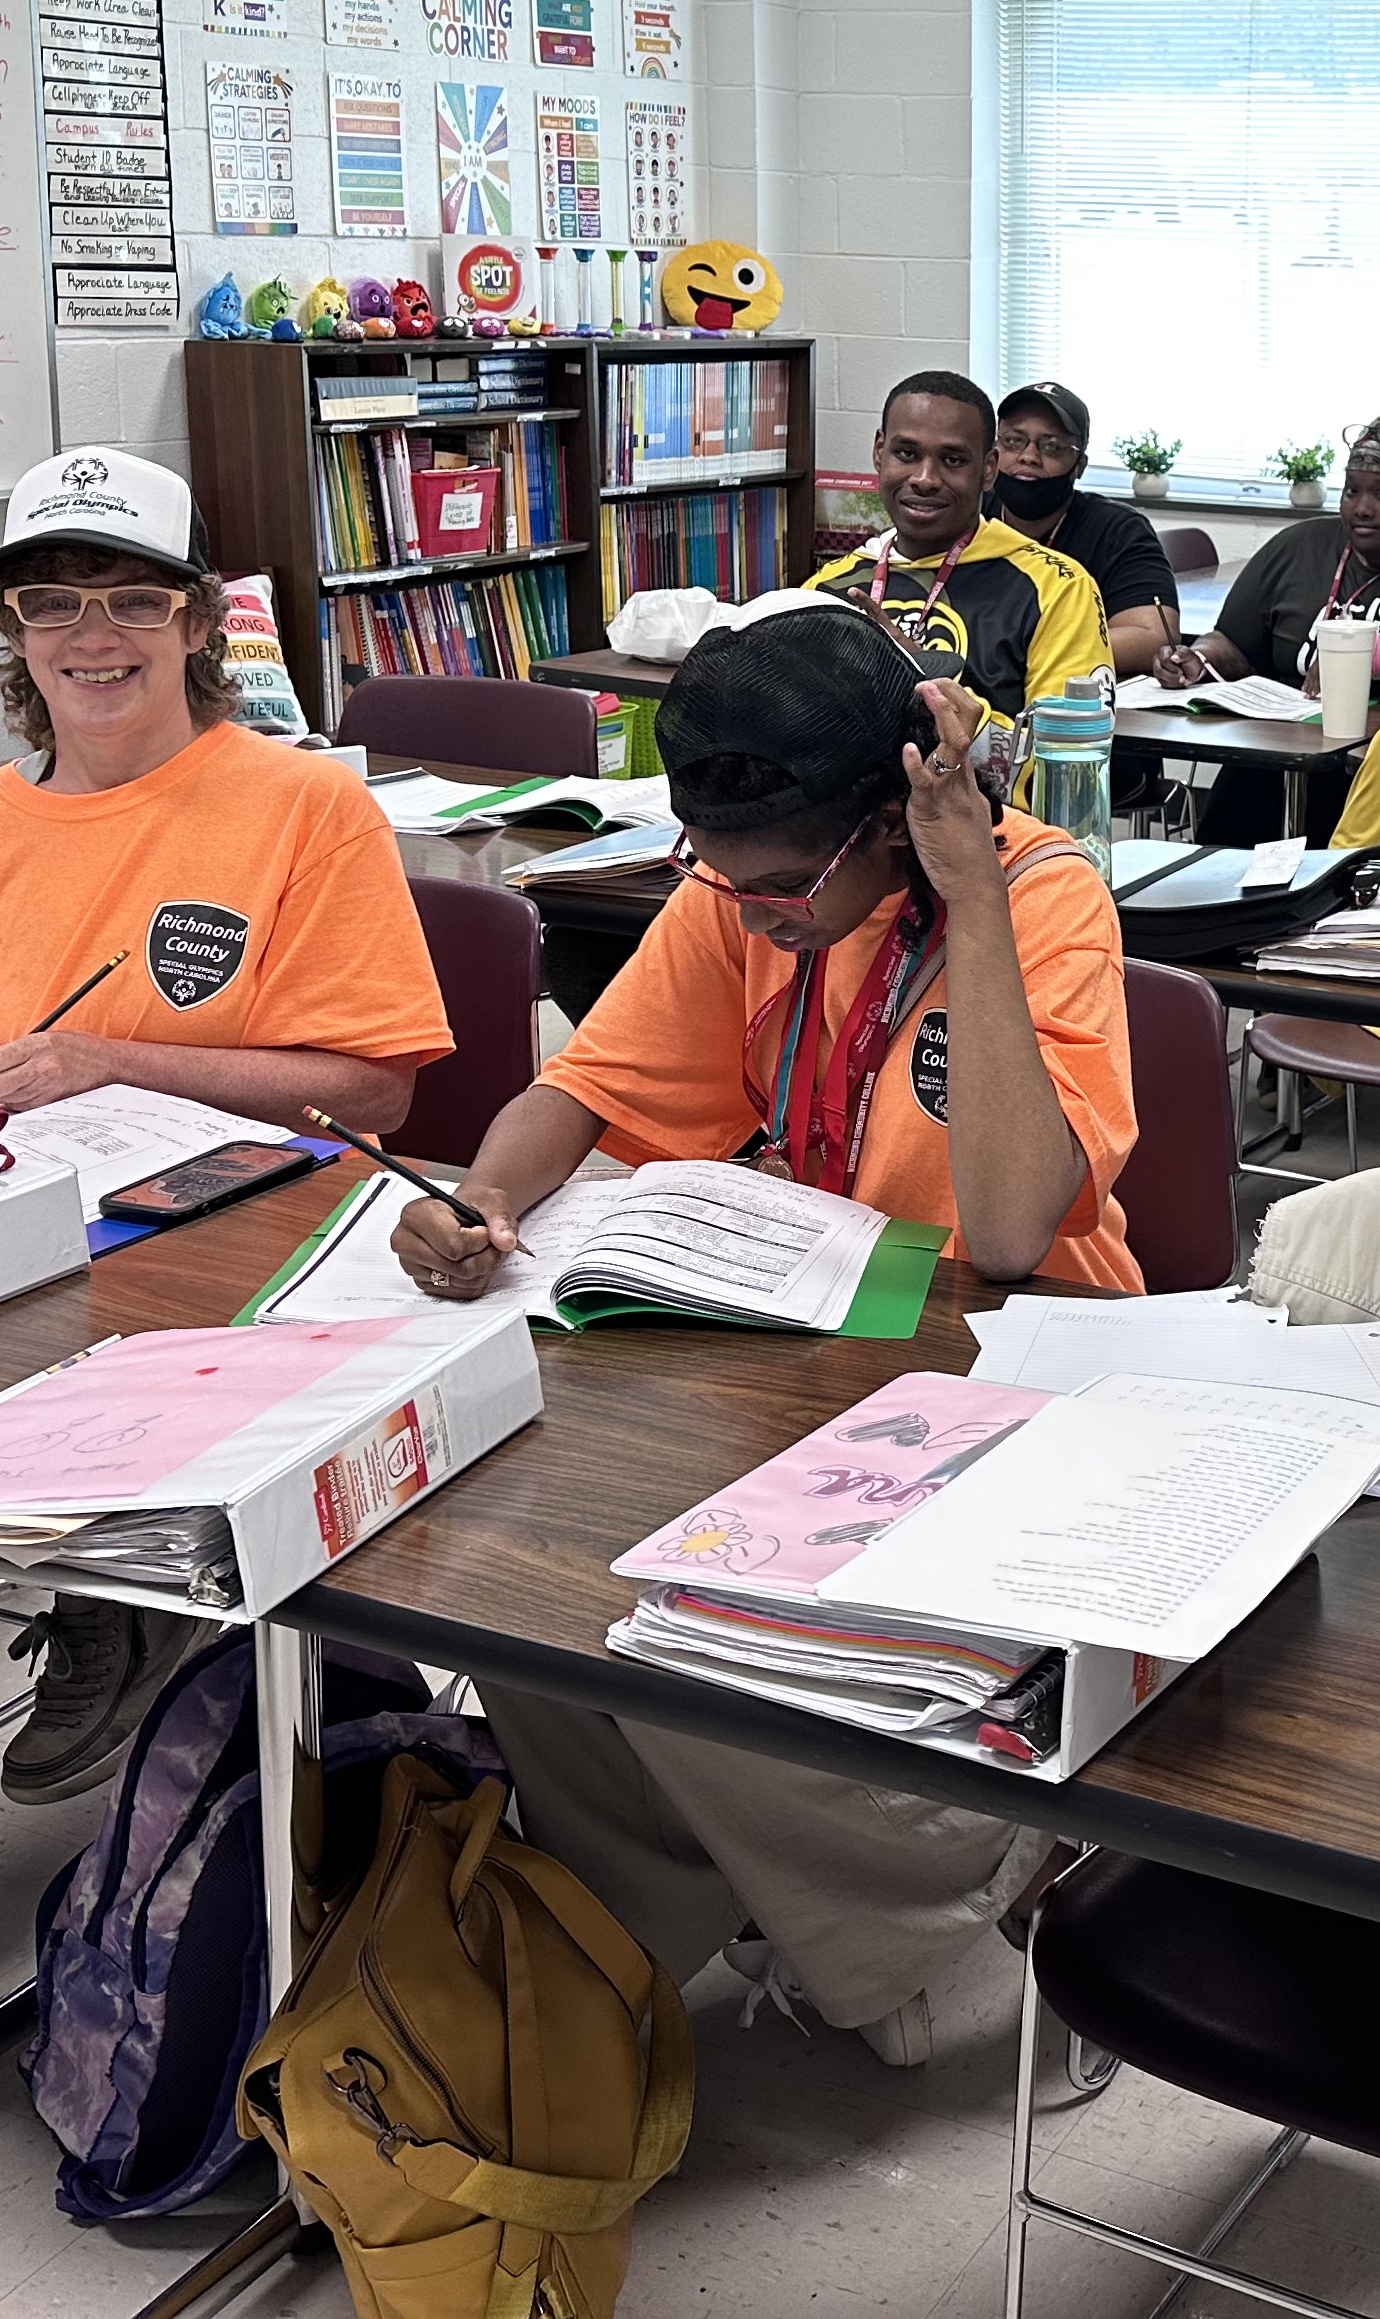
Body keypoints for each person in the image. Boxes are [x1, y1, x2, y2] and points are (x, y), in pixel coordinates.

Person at [0, 446, 451, 2025]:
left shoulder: (304, 800)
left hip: (252, 1240)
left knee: (92, 1398)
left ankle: (120, 1623)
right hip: (31, 1225)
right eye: (55, 604)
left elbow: (373, 1084)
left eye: (129, 599)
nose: (91, 636)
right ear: (13, 628)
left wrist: (117, 1057)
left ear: (195, 620)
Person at [391, 592, 1139, 2067]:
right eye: (725, 885)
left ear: (890, 819)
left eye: (789, 891)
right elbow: (583, 1092)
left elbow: (1005, 1230)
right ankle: (699, 1917)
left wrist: (968, 894)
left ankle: (955, 1888)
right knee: (534, 1591)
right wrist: (476, 1199)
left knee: (691, 1635)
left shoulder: (1041, 902)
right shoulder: (746, 894)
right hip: (806, 1351)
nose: (761, 918)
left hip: (1016, 1363)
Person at [1153, 402, 1380, 846]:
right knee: (1223, 859)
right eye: (1352, 491)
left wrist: (1371, 655)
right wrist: (1198, 658)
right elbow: (1235, 643)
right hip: (1278, 756)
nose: (1361, 509)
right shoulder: (1300, 547)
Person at [803, 370, 1111, 725]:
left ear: (989, 469)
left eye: (952, 460)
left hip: (978, 783)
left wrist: (925, 685)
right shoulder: (826, 590)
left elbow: (1065, 755)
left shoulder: (1059, 589)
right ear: (878, 452)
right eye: (906, 453)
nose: (925, 479)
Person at [992, 379, 1179, 678]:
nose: (1028, 456)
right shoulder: (967, 514)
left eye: (1052, 447)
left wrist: (1022, 649)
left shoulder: (1117, 530)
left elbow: (1152, 638)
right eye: (1014, 441)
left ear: (1080, 465)